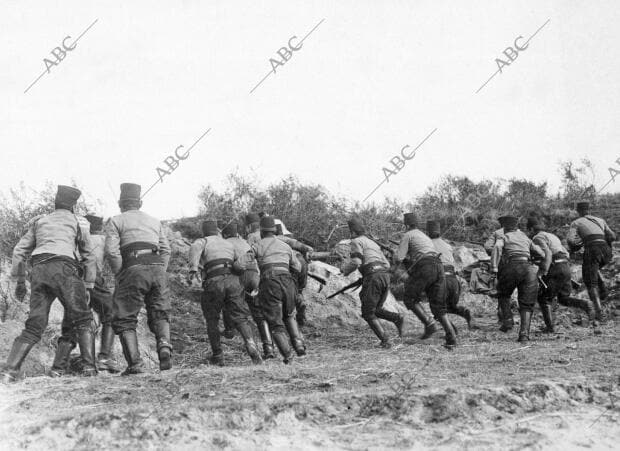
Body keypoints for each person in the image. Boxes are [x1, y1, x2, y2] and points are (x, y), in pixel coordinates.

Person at [1, 185, 97, 383]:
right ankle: (89, 368)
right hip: (65, 269)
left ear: (55, 203)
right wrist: (88, 284)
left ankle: (9, 372)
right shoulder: (79, 222)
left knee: (35, 324)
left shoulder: (40, 221)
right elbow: (89, 255)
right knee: (83, 318)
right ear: (73, 206)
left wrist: (19, 280)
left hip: (39, 270)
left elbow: (19, 252)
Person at [105, 183, 172, 375]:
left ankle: (135, 364)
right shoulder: (154, 221)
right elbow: (166, 249)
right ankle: (164, 346)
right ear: (140, 202)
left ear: (120, 203)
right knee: (160, 310)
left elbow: (111, 251)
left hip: (133, 268)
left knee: (125, 316)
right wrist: (160, 269)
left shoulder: (115, 221)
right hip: (158, 267)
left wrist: (120, 272)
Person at [189, 220, 262, 366]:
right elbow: (239, 262)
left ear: (204, 232)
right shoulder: (228, 243)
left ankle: (218, 355)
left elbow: (195, 249)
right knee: (240, 318)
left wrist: (193, 269)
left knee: (212, 320)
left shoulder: (202, 241)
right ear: (217, 231)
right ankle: (251, 344)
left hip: (214, 281)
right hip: (233, 280)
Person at [526, 217, 599, 333]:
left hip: (556, 268)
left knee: (544, 298)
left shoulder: (537, 237)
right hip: (565, 266)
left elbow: (548, 254)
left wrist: (542, 271)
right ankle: (586, 304)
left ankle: (550, 328)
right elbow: (566, 253)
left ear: (531, 229)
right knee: (563, 298)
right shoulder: (552, 236)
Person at [395, 213, 457, 348]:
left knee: (409, 298)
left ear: (406, 225)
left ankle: (429, 324)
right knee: (438, 306)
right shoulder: (424, 236)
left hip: (425, 267)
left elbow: (399, 258)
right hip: (438, 266)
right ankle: (451, 337)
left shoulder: (408, 235)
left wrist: (401, 261)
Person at [250, 216, 305, 363]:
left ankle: (288, 355)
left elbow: (241, 264)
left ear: (261, 231)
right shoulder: (285, 245)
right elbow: (298, 267)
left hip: (270, 283)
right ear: (274, 230)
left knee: (275, 323)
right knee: (289, 314)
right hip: (288, 282)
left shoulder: (256, 245)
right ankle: (299, 345)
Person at [343, 218, 404, 348]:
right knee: (376, 309)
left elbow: (356, 262)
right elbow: (386, 264)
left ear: (353, 232)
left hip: (374, 277)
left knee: (368, 313)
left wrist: (344, 271)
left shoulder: (356, 241)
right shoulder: (373, 243)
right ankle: (397, 318)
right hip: (384, 276)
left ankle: (386, 341)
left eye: (350, 232)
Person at [221, 221, 275, 359]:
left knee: (230, 302)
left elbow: (231, 265)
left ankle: (230, 331)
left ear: (225, 234)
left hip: (240, 274)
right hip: (254, 275)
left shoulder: (225, 243)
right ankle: (269, 348)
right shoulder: (245, 242)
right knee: (259, 313)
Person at [491, 215, 544, 342]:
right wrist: (533, 259)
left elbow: (497, 248)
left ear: (504, 227)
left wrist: (494, 268)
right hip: (529, 269)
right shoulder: (525, 238)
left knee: (503, 293)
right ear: (516, 226)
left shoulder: (503, 236)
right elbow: (541, 253)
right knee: (527, 303)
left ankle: (508, 320)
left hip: (512, 266)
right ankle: (524, 334)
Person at [567, 201, 616, 321]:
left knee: (590, 281)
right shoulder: (600, 220)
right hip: (606, 252)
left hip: (593, 250)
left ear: (578, 211)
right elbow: (613, 237)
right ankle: (603, 288)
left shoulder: (576, 222)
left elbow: (571, 241)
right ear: (589, 210)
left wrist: (580, 244)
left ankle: (600, 314)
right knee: (593, 269)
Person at [427, 220, 472, 328]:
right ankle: (464, 312)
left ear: (427, 233)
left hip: (441, 279)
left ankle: (451, 331)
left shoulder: (427, 244)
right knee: (450, 307)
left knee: (437, 309)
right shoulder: (447, 245)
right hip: (453, 280)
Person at [275, 223, 313, 326]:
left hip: (290, 263)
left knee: (286, 291)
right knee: (298, 290)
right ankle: (301, 305)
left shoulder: (273, 240)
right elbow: (307, 248)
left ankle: (286, 318)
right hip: (301, 262)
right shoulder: (289, 240)